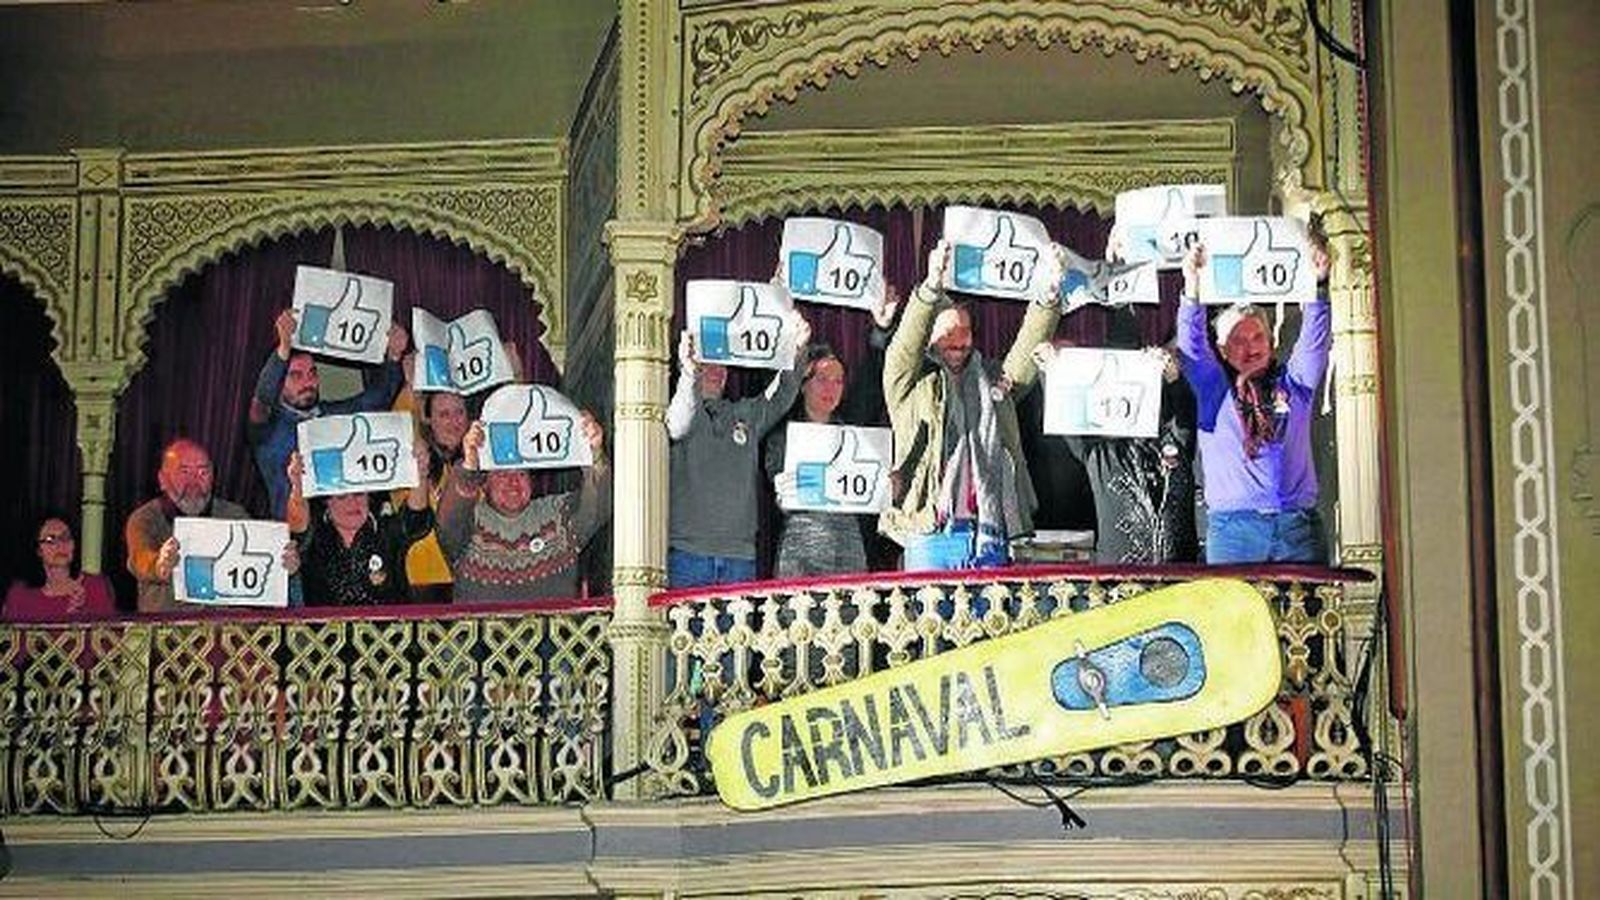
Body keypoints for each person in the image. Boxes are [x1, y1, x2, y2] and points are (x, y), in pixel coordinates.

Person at [880, 240, 1062, 570]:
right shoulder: (909, 385)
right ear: (930, 336)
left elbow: (1026, 356)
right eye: (949, 329)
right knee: (930, 622)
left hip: (990, 531)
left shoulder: (992, 380)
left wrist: (1048, 297)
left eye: (965, 330)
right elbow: (904, 346)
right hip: (931, 534)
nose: (959, 338)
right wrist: (932, 287)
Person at [1175, 235, 1332, 563]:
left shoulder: (1294, 384)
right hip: (1234, 533)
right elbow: (1191, 347)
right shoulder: (1213, 390)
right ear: (1221, 349)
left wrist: (1319, 284)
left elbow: (1313, 346)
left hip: (1297, 528)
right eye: (1238, 339)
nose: (1250, 346)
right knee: (1234, 617)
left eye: (1258, 336)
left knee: (1308, 616)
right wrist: (1192, 287)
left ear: (1271, 342)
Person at [1032, 308, 1199, 564]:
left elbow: (1185, 415)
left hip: (1178, 579)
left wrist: (1173, 378)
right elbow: (1068, 411)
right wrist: (1051, 372)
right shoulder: (1100, 454)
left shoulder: (1172, 443)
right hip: (1119, 582)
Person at [666, 316, 811, 588]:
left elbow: (781, 395)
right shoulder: (678, 411)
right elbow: (679, 422)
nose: (716, 369)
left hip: (739, 560)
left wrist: (798, 349)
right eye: (707, 361)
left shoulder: (744, 414)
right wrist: (689, 372)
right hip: (688, 558)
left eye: (722, 361)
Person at [249, 307, 408, 518]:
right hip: (293, 542)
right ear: (279, 382)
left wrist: (394, 355)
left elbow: (376, 399)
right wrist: (283, 349)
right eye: (296, 375)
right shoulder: (269, 431)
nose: (308, 382)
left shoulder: (333, 415)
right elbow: (262, 401)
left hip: (342, 538)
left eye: (312, 373)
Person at [437, 413, 611, 603]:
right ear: (484, 483)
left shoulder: (557, 514)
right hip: (482, 632)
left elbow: (598, 505)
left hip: (552, 632)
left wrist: (593, 452)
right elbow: (448, 522)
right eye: (502, 474)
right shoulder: (468, 521)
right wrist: (469, 466)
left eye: (521, 473)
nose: (513, 483)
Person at [125, 438, 298, 614]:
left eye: (203, 472)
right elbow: (139, 558)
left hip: (230, 632)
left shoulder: (234, 516)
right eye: (184, 471)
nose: (193, 481)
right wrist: (158, 564)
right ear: (162, 479)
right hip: (168, 632)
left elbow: (261, 563)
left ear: (213, 477)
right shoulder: (145, 518)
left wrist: (283, 565)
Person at [764, 343, 869, 577]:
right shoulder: (782, 438)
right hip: (800, 552)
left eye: (838, 381)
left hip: (848, 552)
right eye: (822, 379)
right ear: (803, 385)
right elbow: (780, 493)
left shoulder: (856, 439)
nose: (830, 388)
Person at [286, 441, 434, 607]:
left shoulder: (385, 531)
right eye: (341, 496)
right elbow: (297, 531)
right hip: (324, 632)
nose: (352, 503)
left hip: (387, 631)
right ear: (327, 502)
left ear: (369, 497)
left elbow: (416, 519)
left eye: (358, 494)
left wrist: (420, 472)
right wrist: (298, 485)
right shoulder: (314, 537)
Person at [4, 513, 117, 621]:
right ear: (38, 550)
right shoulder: (20, 595)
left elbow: (108, 635)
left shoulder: (94, 586)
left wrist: (82, 613)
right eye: (50, 540)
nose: (60, 545)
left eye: (66, 537)